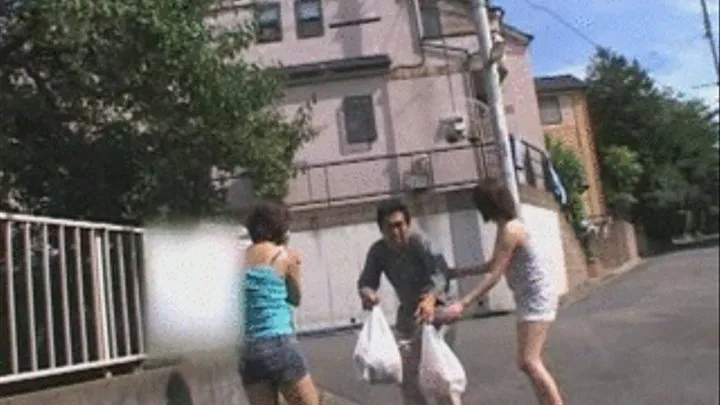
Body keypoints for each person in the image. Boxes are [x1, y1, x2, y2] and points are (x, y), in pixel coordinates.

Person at [444, 178, 564, 405]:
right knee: (527, 361)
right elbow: (492, 264)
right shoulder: (505, 226)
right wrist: (457, 272)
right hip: (529, 296)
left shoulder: (511, 229)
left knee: (529, 361)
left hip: (536, 297)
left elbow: (495, 275)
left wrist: (463, 302)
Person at [357, 198, 464, 405]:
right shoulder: (378, 251)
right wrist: (367, 293)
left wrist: (431, 298)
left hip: (437, 313)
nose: (396, 232)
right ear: (381, 229)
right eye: (390, 227)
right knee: (407, 379)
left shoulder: (420, 243)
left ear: (407, 224)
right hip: (408, 315)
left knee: (439, 375)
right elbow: (367, 281)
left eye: (400, 225)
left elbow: (441, 274)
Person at [239, 201, 320, 405]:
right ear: (279, 227)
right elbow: (295, 298)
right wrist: (295, 269)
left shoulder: (237, 260)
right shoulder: (284, 256)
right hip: (279, 342)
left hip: (249, 349)